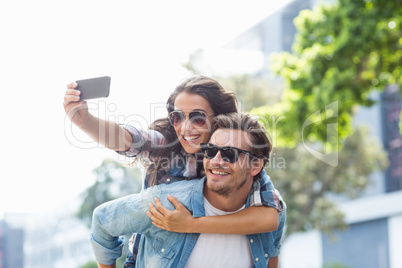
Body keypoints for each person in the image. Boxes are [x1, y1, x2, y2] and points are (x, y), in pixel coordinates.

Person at [63, 76, 283, 266]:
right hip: (150, 255)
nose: (185, 128)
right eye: (178, 117)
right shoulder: (167, 145)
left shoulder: (244, 161)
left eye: (196, 118)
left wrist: (191, 224)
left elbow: (270, 218)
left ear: (218, 119)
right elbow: (126, 139)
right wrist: (84, 121)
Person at [90, 113, 286, 268]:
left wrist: (192, 224)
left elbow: (271, 256)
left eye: (229, 154)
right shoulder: (167, 203)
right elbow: (103, 220)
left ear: (256, 166)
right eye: (210, 151)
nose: (216, 160)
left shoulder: (272, 210)